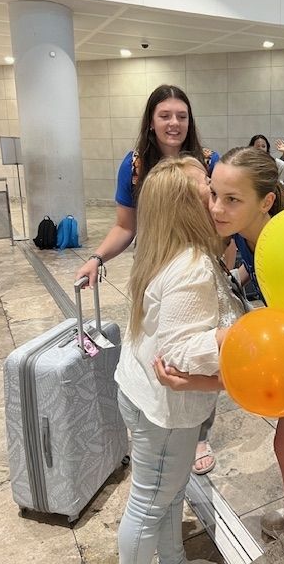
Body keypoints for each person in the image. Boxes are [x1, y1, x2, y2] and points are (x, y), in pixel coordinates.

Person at [158, 147, 284, 564]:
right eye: (214, 194)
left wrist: (205, 378)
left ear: (266, 201)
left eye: (232, 200)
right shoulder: (250, 236)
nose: (216, 208)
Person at [75, 84, 219, 476]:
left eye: (181, 116)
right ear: (151, 122)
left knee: (198, 344)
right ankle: (152, 413)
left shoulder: (208, 160)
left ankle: (199, 430)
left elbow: (222, 220)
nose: (174, 123)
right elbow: (126, 225)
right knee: (155, 341)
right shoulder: (135, 165)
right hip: (155, 264)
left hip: (196, 262)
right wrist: (96, 257)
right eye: (165, 115)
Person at [114, 156, 246, 564]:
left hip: (142, 396)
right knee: (149, 504)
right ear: (187, 206)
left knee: (167, 494)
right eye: (208, 189)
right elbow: (181, 352)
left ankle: (173, 557)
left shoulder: (163, 251)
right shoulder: (189, 265)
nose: (216, 196)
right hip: (164, 411)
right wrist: (232, 336)